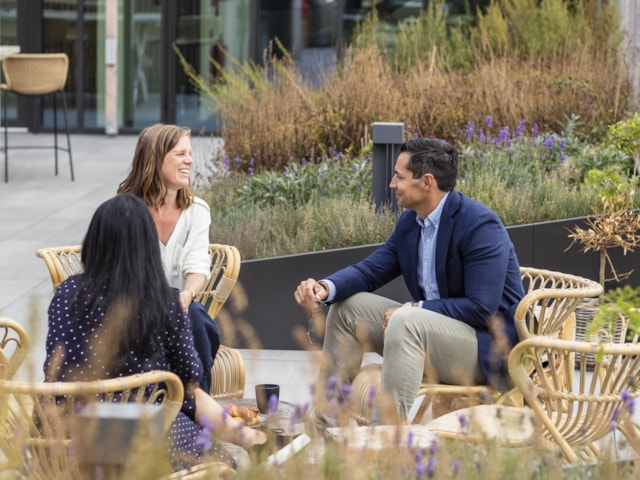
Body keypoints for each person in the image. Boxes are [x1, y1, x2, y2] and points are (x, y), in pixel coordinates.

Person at [294, 137, 525, 423]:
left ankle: (385, 441)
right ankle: (328, 427)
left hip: (485, 349)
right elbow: (370, 271)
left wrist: (415, 309)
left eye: (399, 177)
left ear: (426, 182)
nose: (392, 184)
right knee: (347, 308)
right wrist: (324, 287)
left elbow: (482, 308)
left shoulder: (479, 225)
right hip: (427, 333)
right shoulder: (411, 223)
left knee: (405, 320)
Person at [43, 194, 266, 469]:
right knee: (212, 445)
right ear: (147, 247)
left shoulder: (65, 293)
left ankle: (243, 435)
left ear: (94, 242)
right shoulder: (163, 301)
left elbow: (53, 364)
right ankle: (245, 436)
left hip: (59, 437)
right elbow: (191, 376)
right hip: (136, 438)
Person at [117, 124, 219, 394]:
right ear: (155, 158)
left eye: (190, 153)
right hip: (133, 308)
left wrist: (186, 295)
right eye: (180, 154)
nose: (190, 160)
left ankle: (197, 403)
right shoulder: (127, 209)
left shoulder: (197, 211)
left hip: (179, 307)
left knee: (195, 316)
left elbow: (198, 267)